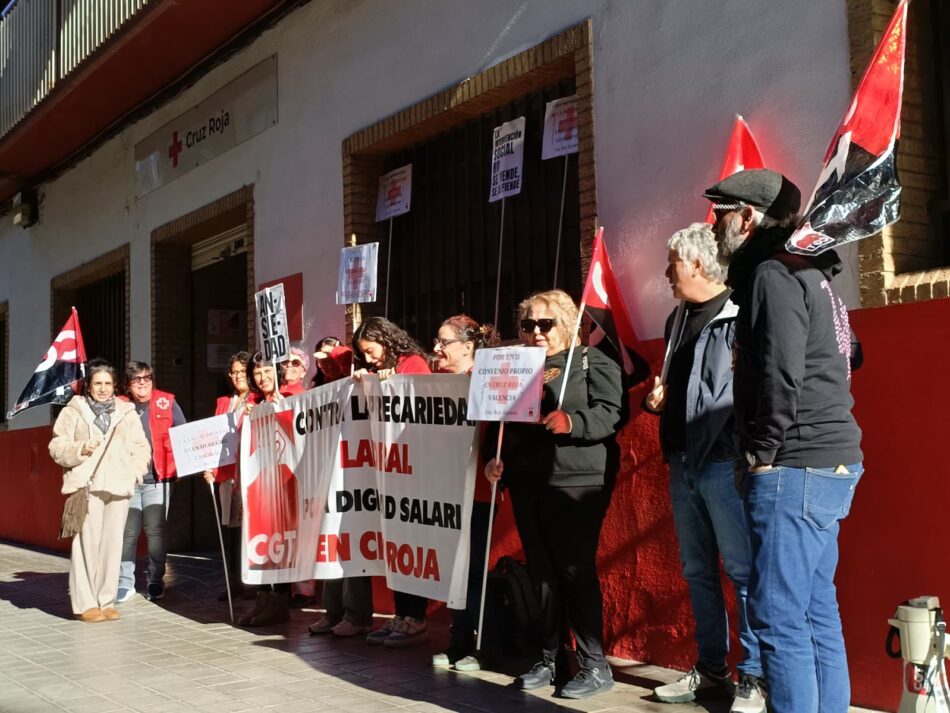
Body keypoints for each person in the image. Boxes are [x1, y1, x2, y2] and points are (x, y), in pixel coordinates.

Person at [704, 169, 863, 712]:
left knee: (776, 615)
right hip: (829, 461)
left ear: (747, 217)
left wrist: (763, 455)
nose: (715, 222)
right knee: (816, 609)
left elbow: (780, 371)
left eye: (721, 211)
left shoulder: (773, 272)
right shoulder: (814, 269)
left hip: (794, 466)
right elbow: (851, 352)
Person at [644, 224, 766, 711]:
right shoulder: (678, 318)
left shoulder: (738, 312)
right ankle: (712, 668)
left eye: (672, 262)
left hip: (722, 460)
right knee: (697, 571)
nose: (666, 273)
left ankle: (754, 675)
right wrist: (661, 398)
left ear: (697, 264)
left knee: (741, 571)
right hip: (682, 460)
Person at [484, 289, 622, 699]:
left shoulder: (590, 361)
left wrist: (574, 422)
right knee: (542, 572)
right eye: (528, 325)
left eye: (546, 323)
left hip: (576, 481)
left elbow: (612, 411)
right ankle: (549, 658)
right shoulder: (514, 366)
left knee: (574, 570)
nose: (536, 332)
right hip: (528, 482)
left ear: (568, 324)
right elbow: (500, 425)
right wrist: (495, 460)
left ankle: (595, 665)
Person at [49, 359, 151, 622]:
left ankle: (106, 600)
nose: (103, 389)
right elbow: (57, 446)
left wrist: (135, 472)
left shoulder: (126, 411)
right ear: (89, 386)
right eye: (97, 384)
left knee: (112, 546)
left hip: (118, 485)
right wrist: (80, 449)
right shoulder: (75, 409)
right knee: (87, 545)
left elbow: (141, 447)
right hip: (88, 486)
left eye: (107, 383)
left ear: (115, 385)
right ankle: (86, 604)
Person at [352, 316, 432, 648]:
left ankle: (415, 617)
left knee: (413, 543)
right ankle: (401, 614)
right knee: (397, 547)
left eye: (371, 351)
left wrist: (393, 381)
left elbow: (422, 403)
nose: (370, 359)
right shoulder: (376, 370)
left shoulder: (413, 363)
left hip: (415, 471)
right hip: (389, 472)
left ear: (387, 340)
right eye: (364, 355)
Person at [429, 315, 500, 671]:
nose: (436, 349)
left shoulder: (485, 382)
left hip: (479, 494)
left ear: (468, 347)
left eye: (443, 342)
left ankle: (476, 646)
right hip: (446, 492)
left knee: (473, 571)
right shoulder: (435, 385)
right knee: (454, 570)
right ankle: (457, 640)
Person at [306, 343, 378, 638]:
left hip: (357, 481)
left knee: (354, 548)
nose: (324, 367)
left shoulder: (358, 387)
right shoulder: (323, 393)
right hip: (331, 479)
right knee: (330, 546)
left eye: (330, 362)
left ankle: (357, 615)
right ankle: (333, 612)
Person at [117, 361, 185, 603]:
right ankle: (125, 584)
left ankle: (156, 580)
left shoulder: (167, 401)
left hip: (159, 479)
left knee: (155, 532)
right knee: (128, 534)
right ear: (128, 385)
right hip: (128, 479)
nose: (143, 382)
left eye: (147, 377)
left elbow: (183, 434)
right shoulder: (119, 406)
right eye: (137, 379)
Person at [238, 352, 293, 626]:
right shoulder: (254, 403)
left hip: (285, 486)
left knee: (281, 546)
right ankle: (263, 601)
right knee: (261, 542)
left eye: (267, 371)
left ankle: (280, 602)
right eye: (257, 373)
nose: (262, 378)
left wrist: (285, 410)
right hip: (261, 487)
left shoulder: (293, 397)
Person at [202, 351, 256, 601]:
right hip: (226, 474)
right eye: (233, 372)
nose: (237, 377)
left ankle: (252, 583)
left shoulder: (258, 399)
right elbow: (213, 439)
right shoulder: (224, 402)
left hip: (249, 473)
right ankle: (233, 581)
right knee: (231, 530)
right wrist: (209, 469)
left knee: (249, 528)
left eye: (242, 372)